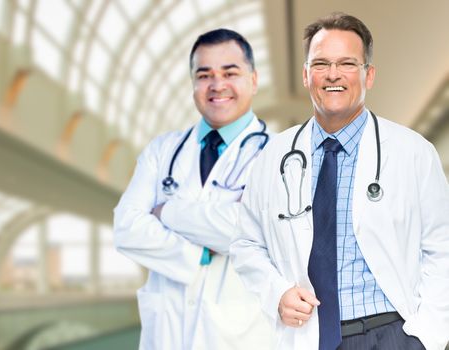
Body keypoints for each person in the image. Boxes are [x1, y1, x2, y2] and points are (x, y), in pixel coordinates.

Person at [230, 12, 449, 350]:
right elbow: (246, 244)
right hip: (309, 335)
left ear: (369, 75)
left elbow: (442, 249)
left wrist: (427, 338)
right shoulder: (273, 157)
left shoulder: (413, 153)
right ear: (305, 75)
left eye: (347, 63)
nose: (333, 75)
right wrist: (277, 292)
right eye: (320, 64)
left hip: (393, 334)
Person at [113, 28, 275, 350]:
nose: (217, 85)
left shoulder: (278, 157)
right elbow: (126, 227)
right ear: (193, 85)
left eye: (230, 73)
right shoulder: (163, 151)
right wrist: (199, 251)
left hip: (239, 337)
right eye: (204, 75)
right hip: (166, 336)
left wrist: (164, 212)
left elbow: (246, 229)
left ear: (253, 80)